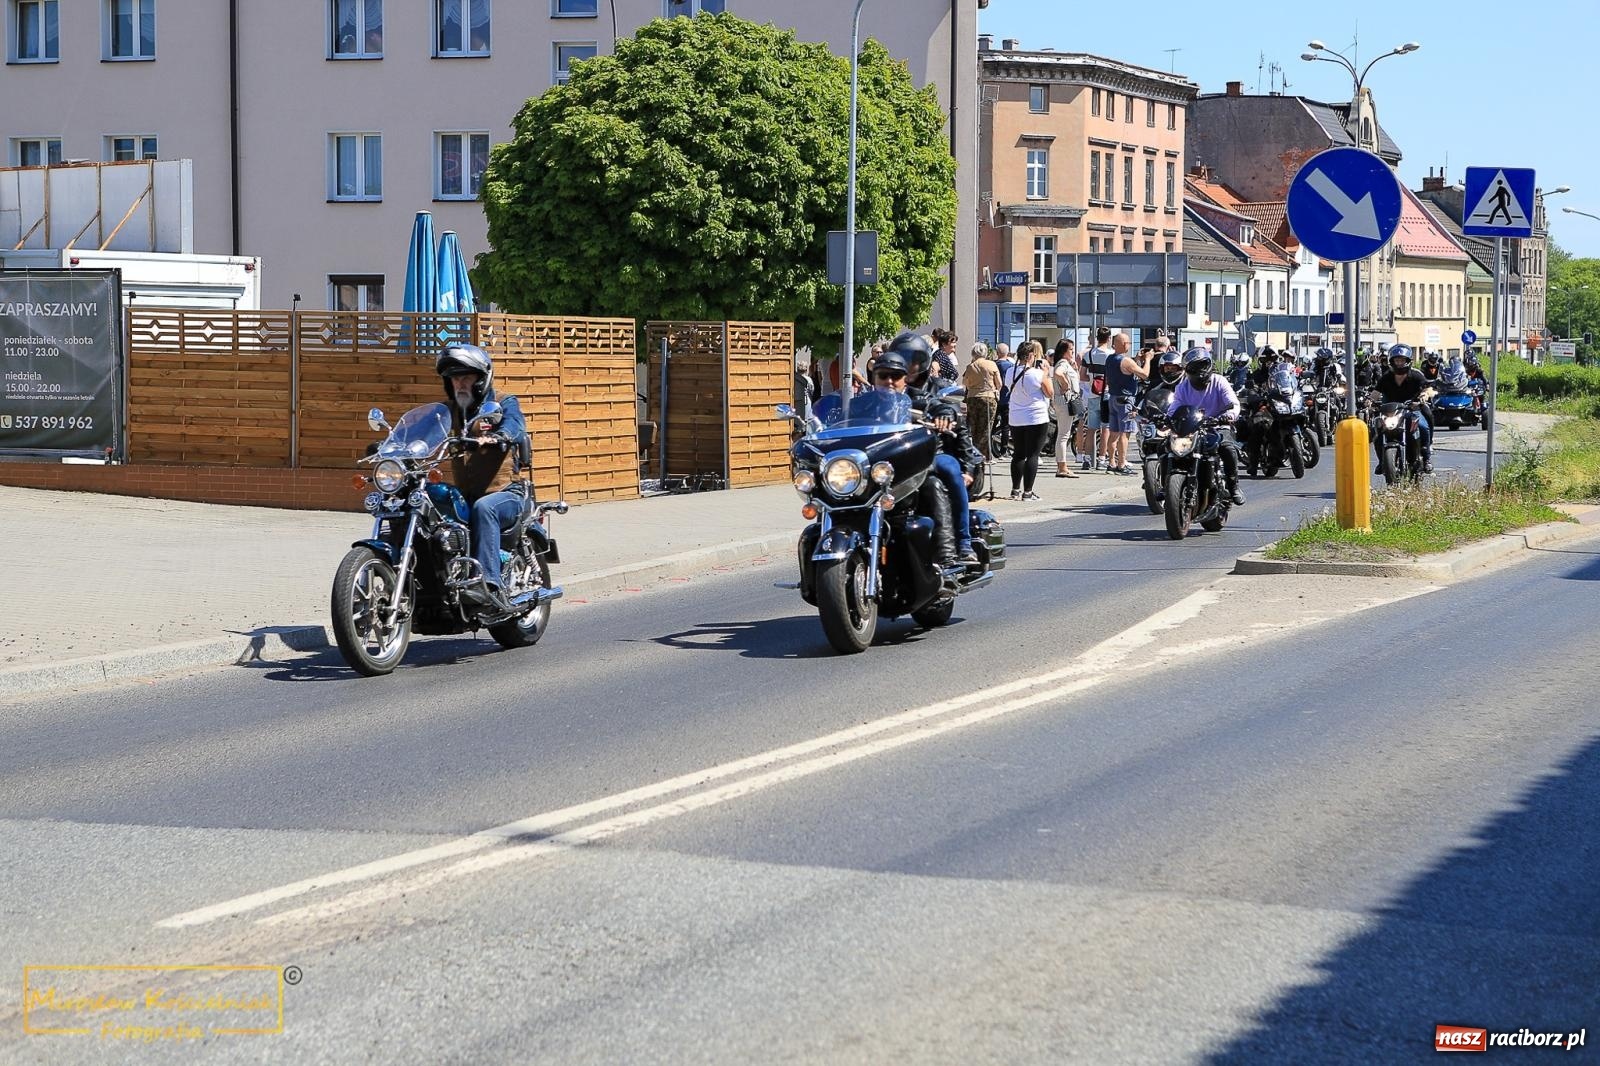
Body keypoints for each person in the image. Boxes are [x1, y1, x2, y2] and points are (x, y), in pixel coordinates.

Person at [436, 343, 530, 614]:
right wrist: (398, 447)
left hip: (506, 493)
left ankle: (487, 584)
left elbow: (515, 424)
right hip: (465, 493)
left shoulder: (503, 402)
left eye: (466, 377)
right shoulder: (448, 411)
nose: (459, 384)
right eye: (454, 379)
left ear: (481, 379)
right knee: (431, 503)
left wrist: (499, 436)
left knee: (483, 508)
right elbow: (423, 430)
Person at [893, 333, 981, 568]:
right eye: (902, 359)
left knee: (951, 471)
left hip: (933, 451)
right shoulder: (890, 387)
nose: (908, 366)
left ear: (922, 361)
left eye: (912, 360)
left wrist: (946, 415)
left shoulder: (939, 387)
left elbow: (951, 413)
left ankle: (963, 542)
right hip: (896, 454)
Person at [1166, 348, 1246, 506]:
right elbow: (1174, 407)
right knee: (1166, 448)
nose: (1200, 371)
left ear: (1209, 365)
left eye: (1202, 365)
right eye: (1194, 368)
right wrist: (1167, 418)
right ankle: (1166, 485)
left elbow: (1233, 403)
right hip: (1192, 428)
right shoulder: (1182, 387)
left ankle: (1233, 485)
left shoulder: (1219, 381)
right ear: (1187, 370)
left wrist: (1229, 415)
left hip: (1217, 426)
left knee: (1227, 448)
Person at [1371, 344, 1434, 474]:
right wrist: (1369, 401)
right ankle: (1382, 461)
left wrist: (1424, 395)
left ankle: (1426, 458)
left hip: (1412, 409)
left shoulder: (1416, 375)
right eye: (1397, 360)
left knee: (1423, 426)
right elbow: (1376, 392)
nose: (1399, 363)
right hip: (1391, 412)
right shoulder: (1387, 377)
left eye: (1402, 360)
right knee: (1378, 431)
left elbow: (1427, 388)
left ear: (1408, 361)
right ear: (1392, 361)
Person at [1006, 340, 1054, 499]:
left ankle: (1015, 490)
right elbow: (1049, 393)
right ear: (1031, 356)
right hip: (1036, 417)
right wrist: (1046, 373)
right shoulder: (1037, 374)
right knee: (1033, 455)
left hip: (1016, 417)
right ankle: (1028, 492)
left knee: (1018, 453)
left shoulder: (1010, 372)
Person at [1102, 333, 1151, 475]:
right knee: (1125, 433)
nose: (1129, 345)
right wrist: (1147, 359)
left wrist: (1137, 359)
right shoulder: (1126, 361)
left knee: (1113, 433)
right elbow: (1144, 374)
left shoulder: (1110, 359)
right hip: (1126, 400)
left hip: (1113, 398)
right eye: (1128, 343)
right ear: (1124, 344)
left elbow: (1125, 370)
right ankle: (1122, 464)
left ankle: (1111, 463)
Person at [1077, 326, 1113, 469]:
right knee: (1106, 428)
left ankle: (1087, 459)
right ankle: (1102, 459)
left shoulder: (1089, 354)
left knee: (1091, 428)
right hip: (1107, 394)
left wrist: (1093, 381)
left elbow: (1082, 376)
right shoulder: (1111, 354)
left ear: (1097, 338)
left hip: (1092, 394)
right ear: (1109, 338)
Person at [962, 342, 1002, 461]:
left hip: (973, 398)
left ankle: (975, 452)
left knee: (974, 427)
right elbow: (999, 383)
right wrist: (995, 390)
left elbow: (965, 382)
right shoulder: (991, 364)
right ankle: (985, 455)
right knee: (986, 427)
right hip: (989, 397)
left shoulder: (970, 366)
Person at [1049, 339, 1081, 477]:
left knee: (1063, 434)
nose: (1073, 352)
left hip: (1063, 401)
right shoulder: (1062, 363)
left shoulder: (1066, 363)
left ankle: (1062, 466)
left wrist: (1074, 369)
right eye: (1070, 349)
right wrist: (1066, 384)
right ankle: (1062, 467)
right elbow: (1058, 373)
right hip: (1065, 401)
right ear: (1064, 351)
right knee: (1063, 435)